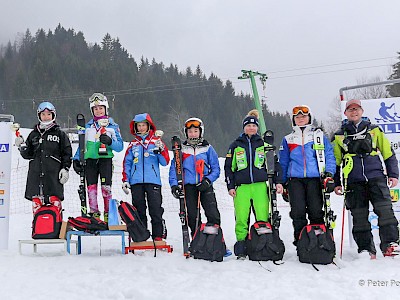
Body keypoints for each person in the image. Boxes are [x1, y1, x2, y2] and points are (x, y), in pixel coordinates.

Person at [332, 99, 400, 257]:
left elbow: (388, 153)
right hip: (354, 180)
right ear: (345, 113)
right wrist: (336, 183)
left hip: (375, 176)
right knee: (360, 216)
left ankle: (390, 244)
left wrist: (393, 174)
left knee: (385, 211)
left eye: (356, 109)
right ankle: (366, 249)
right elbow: (335, 161)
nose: (354, 112)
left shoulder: (374, 130)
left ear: (362, 111)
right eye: (350, 110)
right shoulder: (339, 135)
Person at [224, 110, 283, 259]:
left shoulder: (264, 144)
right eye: (248, 125)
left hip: (260, 186)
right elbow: (228, 167)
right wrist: (230, 186)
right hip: (242, 188)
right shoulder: (235, 145)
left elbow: (274, 165)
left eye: (253, 125)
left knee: (263, 216)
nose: (251, 128)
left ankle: (263, 244)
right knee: (242, 217)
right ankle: (241, 247)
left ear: (257, 127)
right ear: (244, 127)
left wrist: (278, 182)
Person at [279, 105, 336, 246]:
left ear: (309, 117)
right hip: (295, 180)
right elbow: (283, 162)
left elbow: (329, 155)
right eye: (297, 117)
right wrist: (282, 181)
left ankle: (320, 240)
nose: (301, 119)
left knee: (316, 210)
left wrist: (329, 173)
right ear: (293, 120)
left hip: (314, 179)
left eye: (303, 116)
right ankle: (301, 241)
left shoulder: (318, 136)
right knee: (297, 211)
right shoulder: (288, 139)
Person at [72, 93, 123, 222]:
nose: (98, 111)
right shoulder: (88, 126)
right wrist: (77, 159)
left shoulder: (112, 126)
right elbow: (82, 145)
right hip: (90, 160)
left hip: (105, 159)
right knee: (91, 188)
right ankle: (94, 213)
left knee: (106, 188)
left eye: (101, 108)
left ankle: (107, 214)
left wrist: (110, 141)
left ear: (106, 109)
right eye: (95, 109)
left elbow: (120, 146)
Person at [15, 101, 72, 214]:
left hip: (53, 177)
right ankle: (37, 230)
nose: (46, 117)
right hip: (36, 178)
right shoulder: (33, 134)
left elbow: (67, 153)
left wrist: (65, 169)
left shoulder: (59, 134)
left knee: (55, 207)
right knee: (37, 208)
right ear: (39, 115)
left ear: (53, 115)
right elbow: (28, 154)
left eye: (49, 114)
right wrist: (21, 146)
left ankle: (56, 229)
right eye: (43, 114)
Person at [169, 117, 221, 236]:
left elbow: (216, 168)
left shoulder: (208, 148)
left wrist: (208, 180)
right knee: (192, 215)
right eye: (190, 131)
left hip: (205, 185)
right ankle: (197, 239)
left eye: (196, 131)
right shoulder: (181, 150)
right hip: (189, 187)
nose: (193, 134)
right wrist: (174, 186)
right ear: (186, 133)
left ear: (200, 132)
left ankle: (215, 241)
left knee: (212, 213)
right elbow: (174, 169)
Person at [122, 113, 169, 241]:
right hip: (136, 182)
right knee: (139, 211)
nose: (141, 128)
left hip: (153, 181)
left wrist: (162, 150)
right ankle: (142, 237)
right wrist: (125, 180)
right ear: (135, 128)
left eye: (143, 125)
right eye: (139, 126)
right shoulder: (133, 144)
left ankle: (158, 236)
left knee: (155, 209)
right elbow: (127, 163)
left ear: (149, 126)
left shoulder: (156, 141)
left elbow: (165, 162)